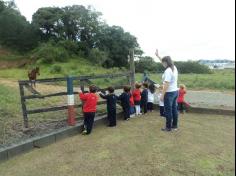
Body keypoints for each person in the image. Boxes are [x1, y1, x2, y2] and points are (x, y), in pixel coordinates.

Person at [155, 49, 179, 132]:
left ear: (166, 62)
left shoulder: (168, 71)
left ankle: (168, 127)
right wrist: (158, 56)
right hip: (175, 91)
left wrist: (162, 95)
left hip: (169, 93)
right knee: (174, 109)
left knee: (168, 110)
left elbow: (167, 84)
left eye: (163, 63)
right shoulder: (174, 67)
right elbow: (163, 61)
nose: (162, 64)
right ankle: (174, 125)